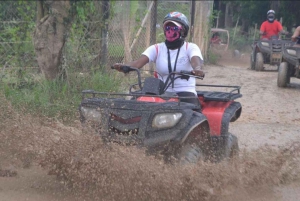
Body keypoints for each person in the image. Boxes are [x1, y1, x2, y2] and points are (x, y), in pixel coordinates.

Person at [113, 11, 205, 106]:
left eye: (174, 28)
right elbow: (137, 64)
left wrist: (197, 69)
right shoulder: (156, 48)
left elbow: (196, 61)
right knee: (135, 104)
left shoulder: (190, 47)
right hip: (162, 91)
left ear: (183, 30)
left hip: (185, 92)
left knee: (192, 112)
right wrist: (124, 66)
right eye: (167, 28)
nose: (170, 31)